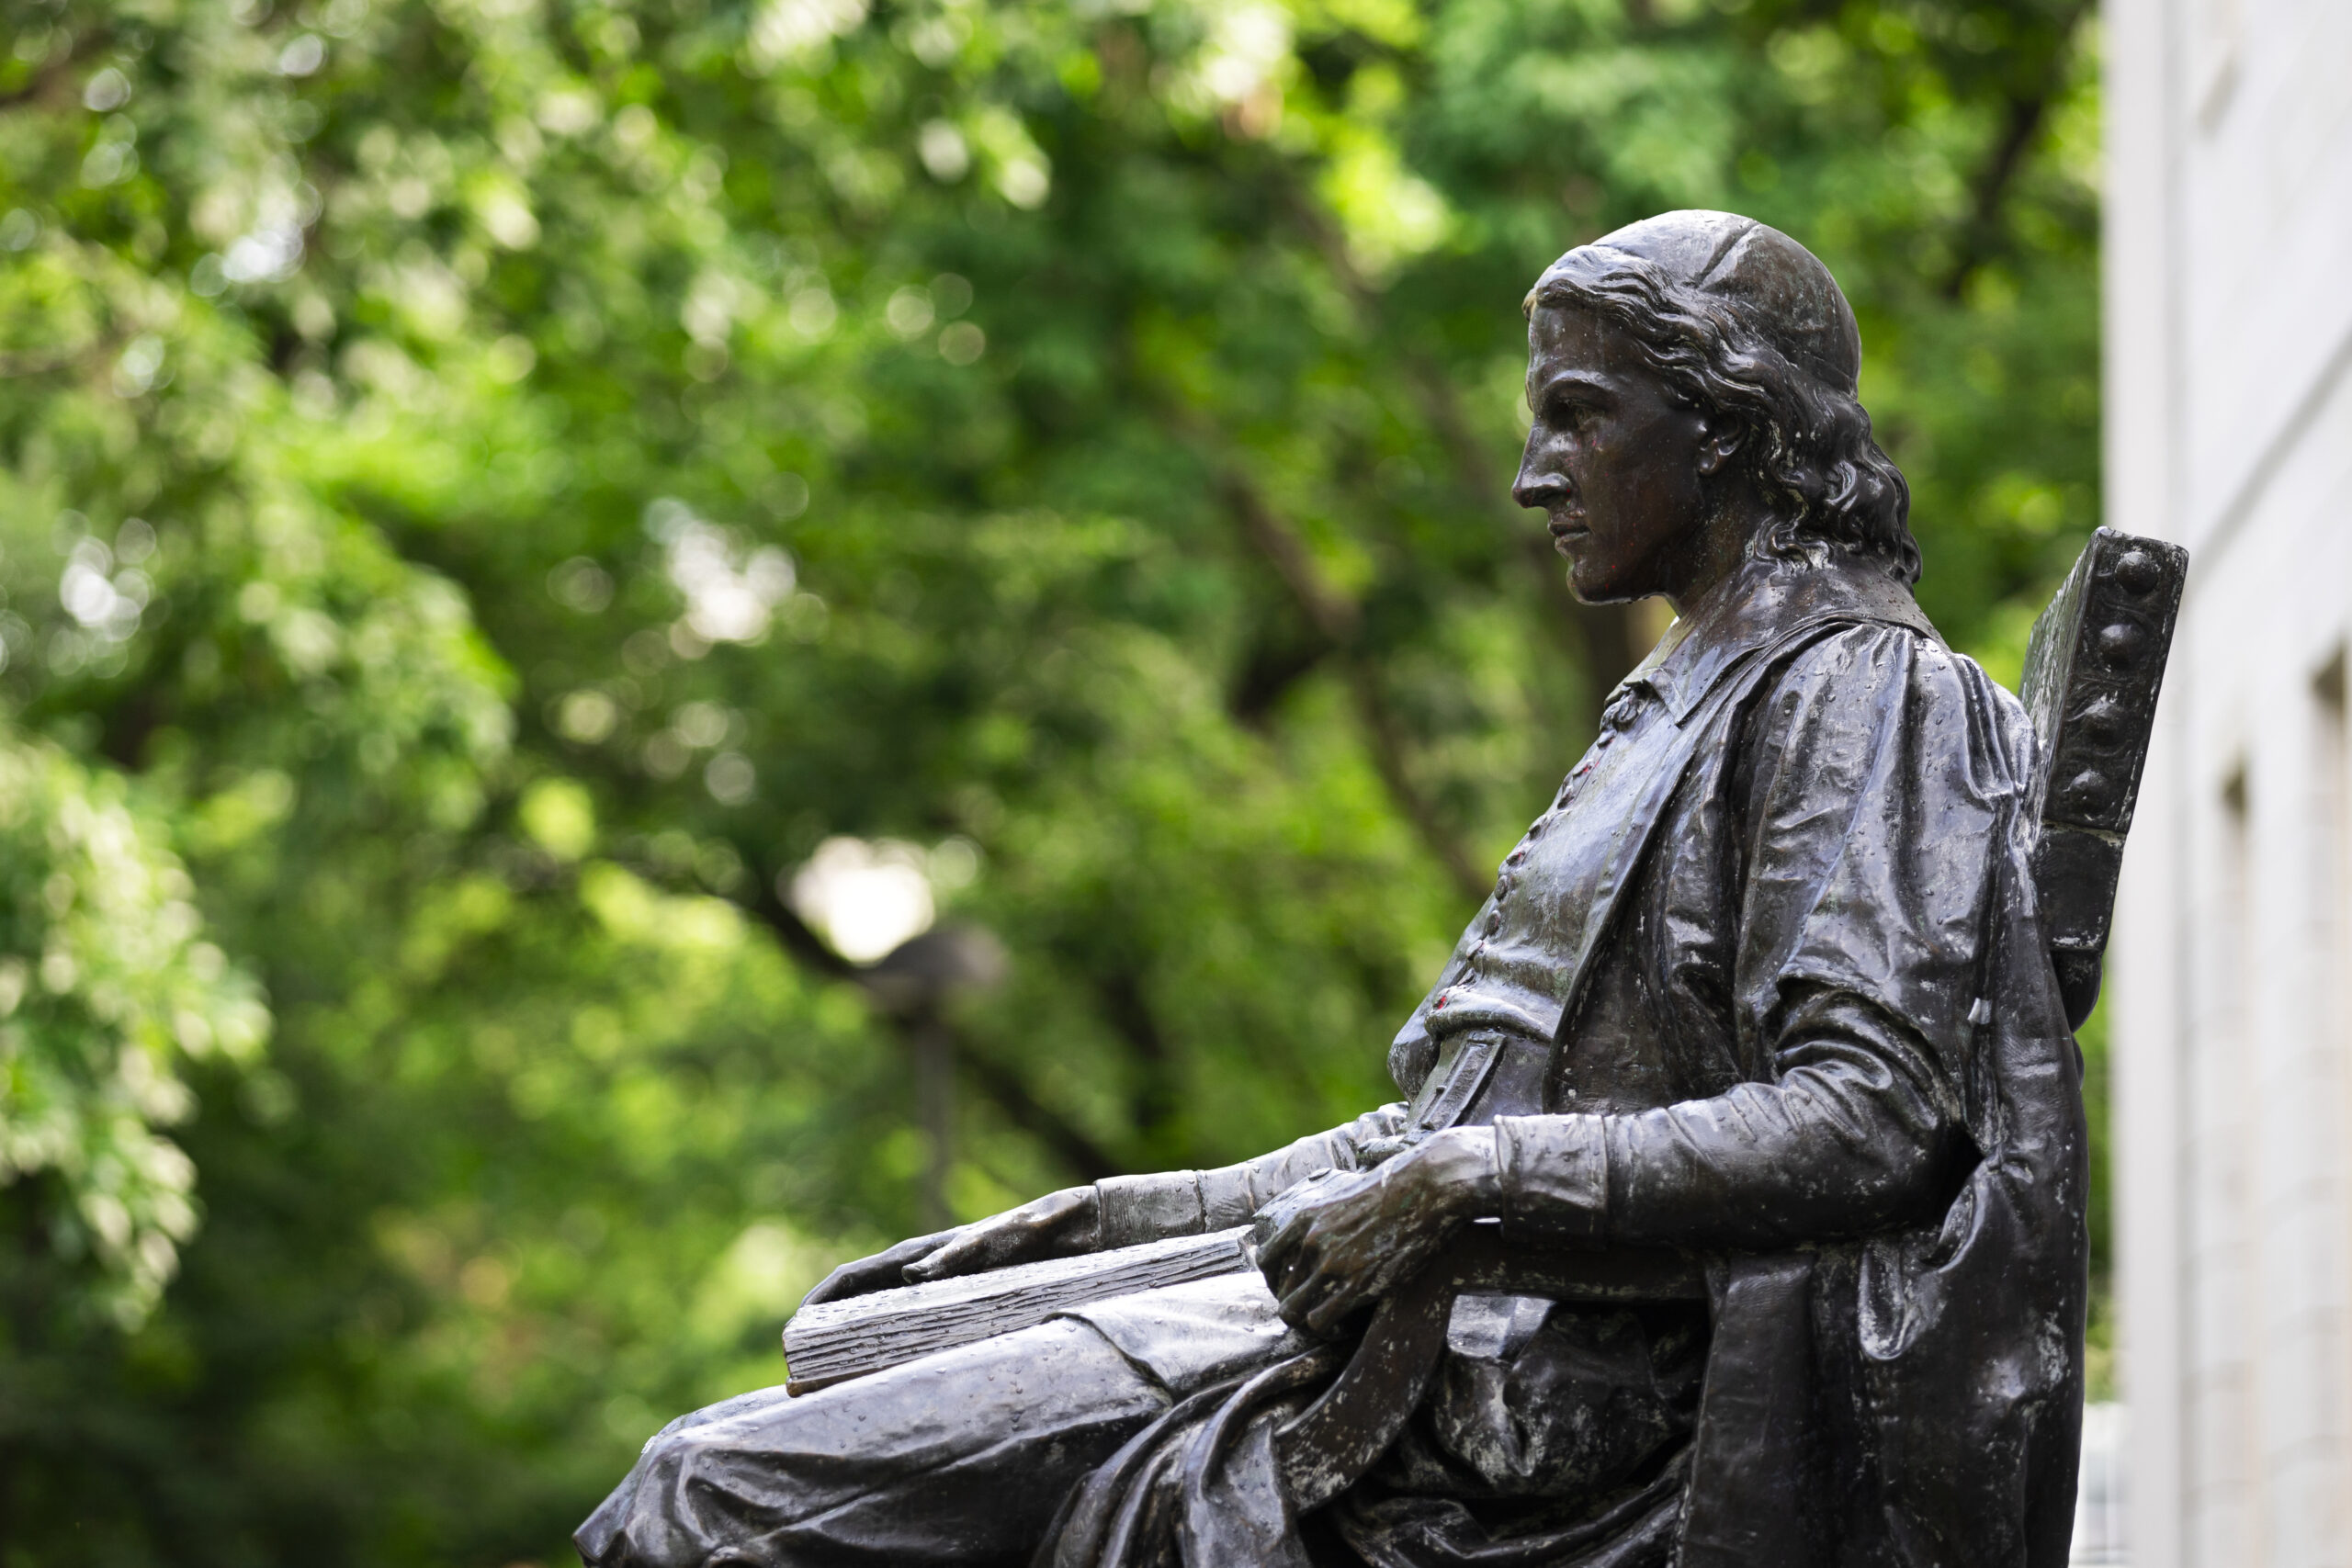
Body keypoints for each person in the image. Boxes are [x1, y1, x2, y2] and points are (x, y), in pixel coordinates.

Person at [576, 210, 2086, 1568]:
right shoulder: (1687, 694)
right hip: (1432, 1327)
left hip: (1539, 1403)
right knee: (859, 1341)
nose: (1530, 473)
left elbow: (1870, 1119)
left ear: (1735, 427)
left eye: (1581, 417)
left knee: (711, 1499)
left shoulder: (1857, 691)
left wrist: (1452, 1190)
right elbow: (1454, 1115)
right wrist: (1132, 1211)